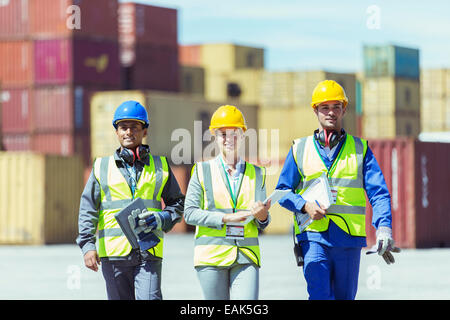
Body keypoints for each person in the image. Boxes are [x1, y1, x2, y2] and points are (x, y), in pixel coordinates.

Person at [276, 80, 400, 300]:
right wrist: (304, 205)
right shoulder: (299, 149)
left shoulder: (360, 149)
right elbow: (282, 192)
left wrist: (384, 228)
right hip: (313, 236)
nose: (331, 112)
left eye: (336, 107)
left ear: (344, 109)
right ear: (315, 110)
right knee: (319, 295)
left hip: (348, 240)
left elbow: (378, 193)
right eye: (325, 107)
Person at [76, 100, 185, 300]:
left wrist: (161, 218)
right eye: (123, 127)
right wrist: (88, 246)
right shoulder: (101, 167)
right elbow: (88, 209)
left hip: (148, 252)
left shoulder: (160, 165)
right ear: (116, 132)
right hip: (113, 255)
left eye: (134, 127)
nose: (128, 132)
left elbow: (177, 204)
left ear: (144, 131)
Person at [184, 105, 271, 300]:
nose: (229, 139)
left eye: (235, 133)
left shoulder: (257, 173)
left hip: (246, 256)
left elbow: (263, 222)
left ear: (242, 136)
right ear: (215, 136)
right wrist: (225, 218)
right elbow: (189, 213)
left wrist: (263, 216)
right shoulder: (201, 170)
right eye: (223, 134)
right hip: (211, 256)